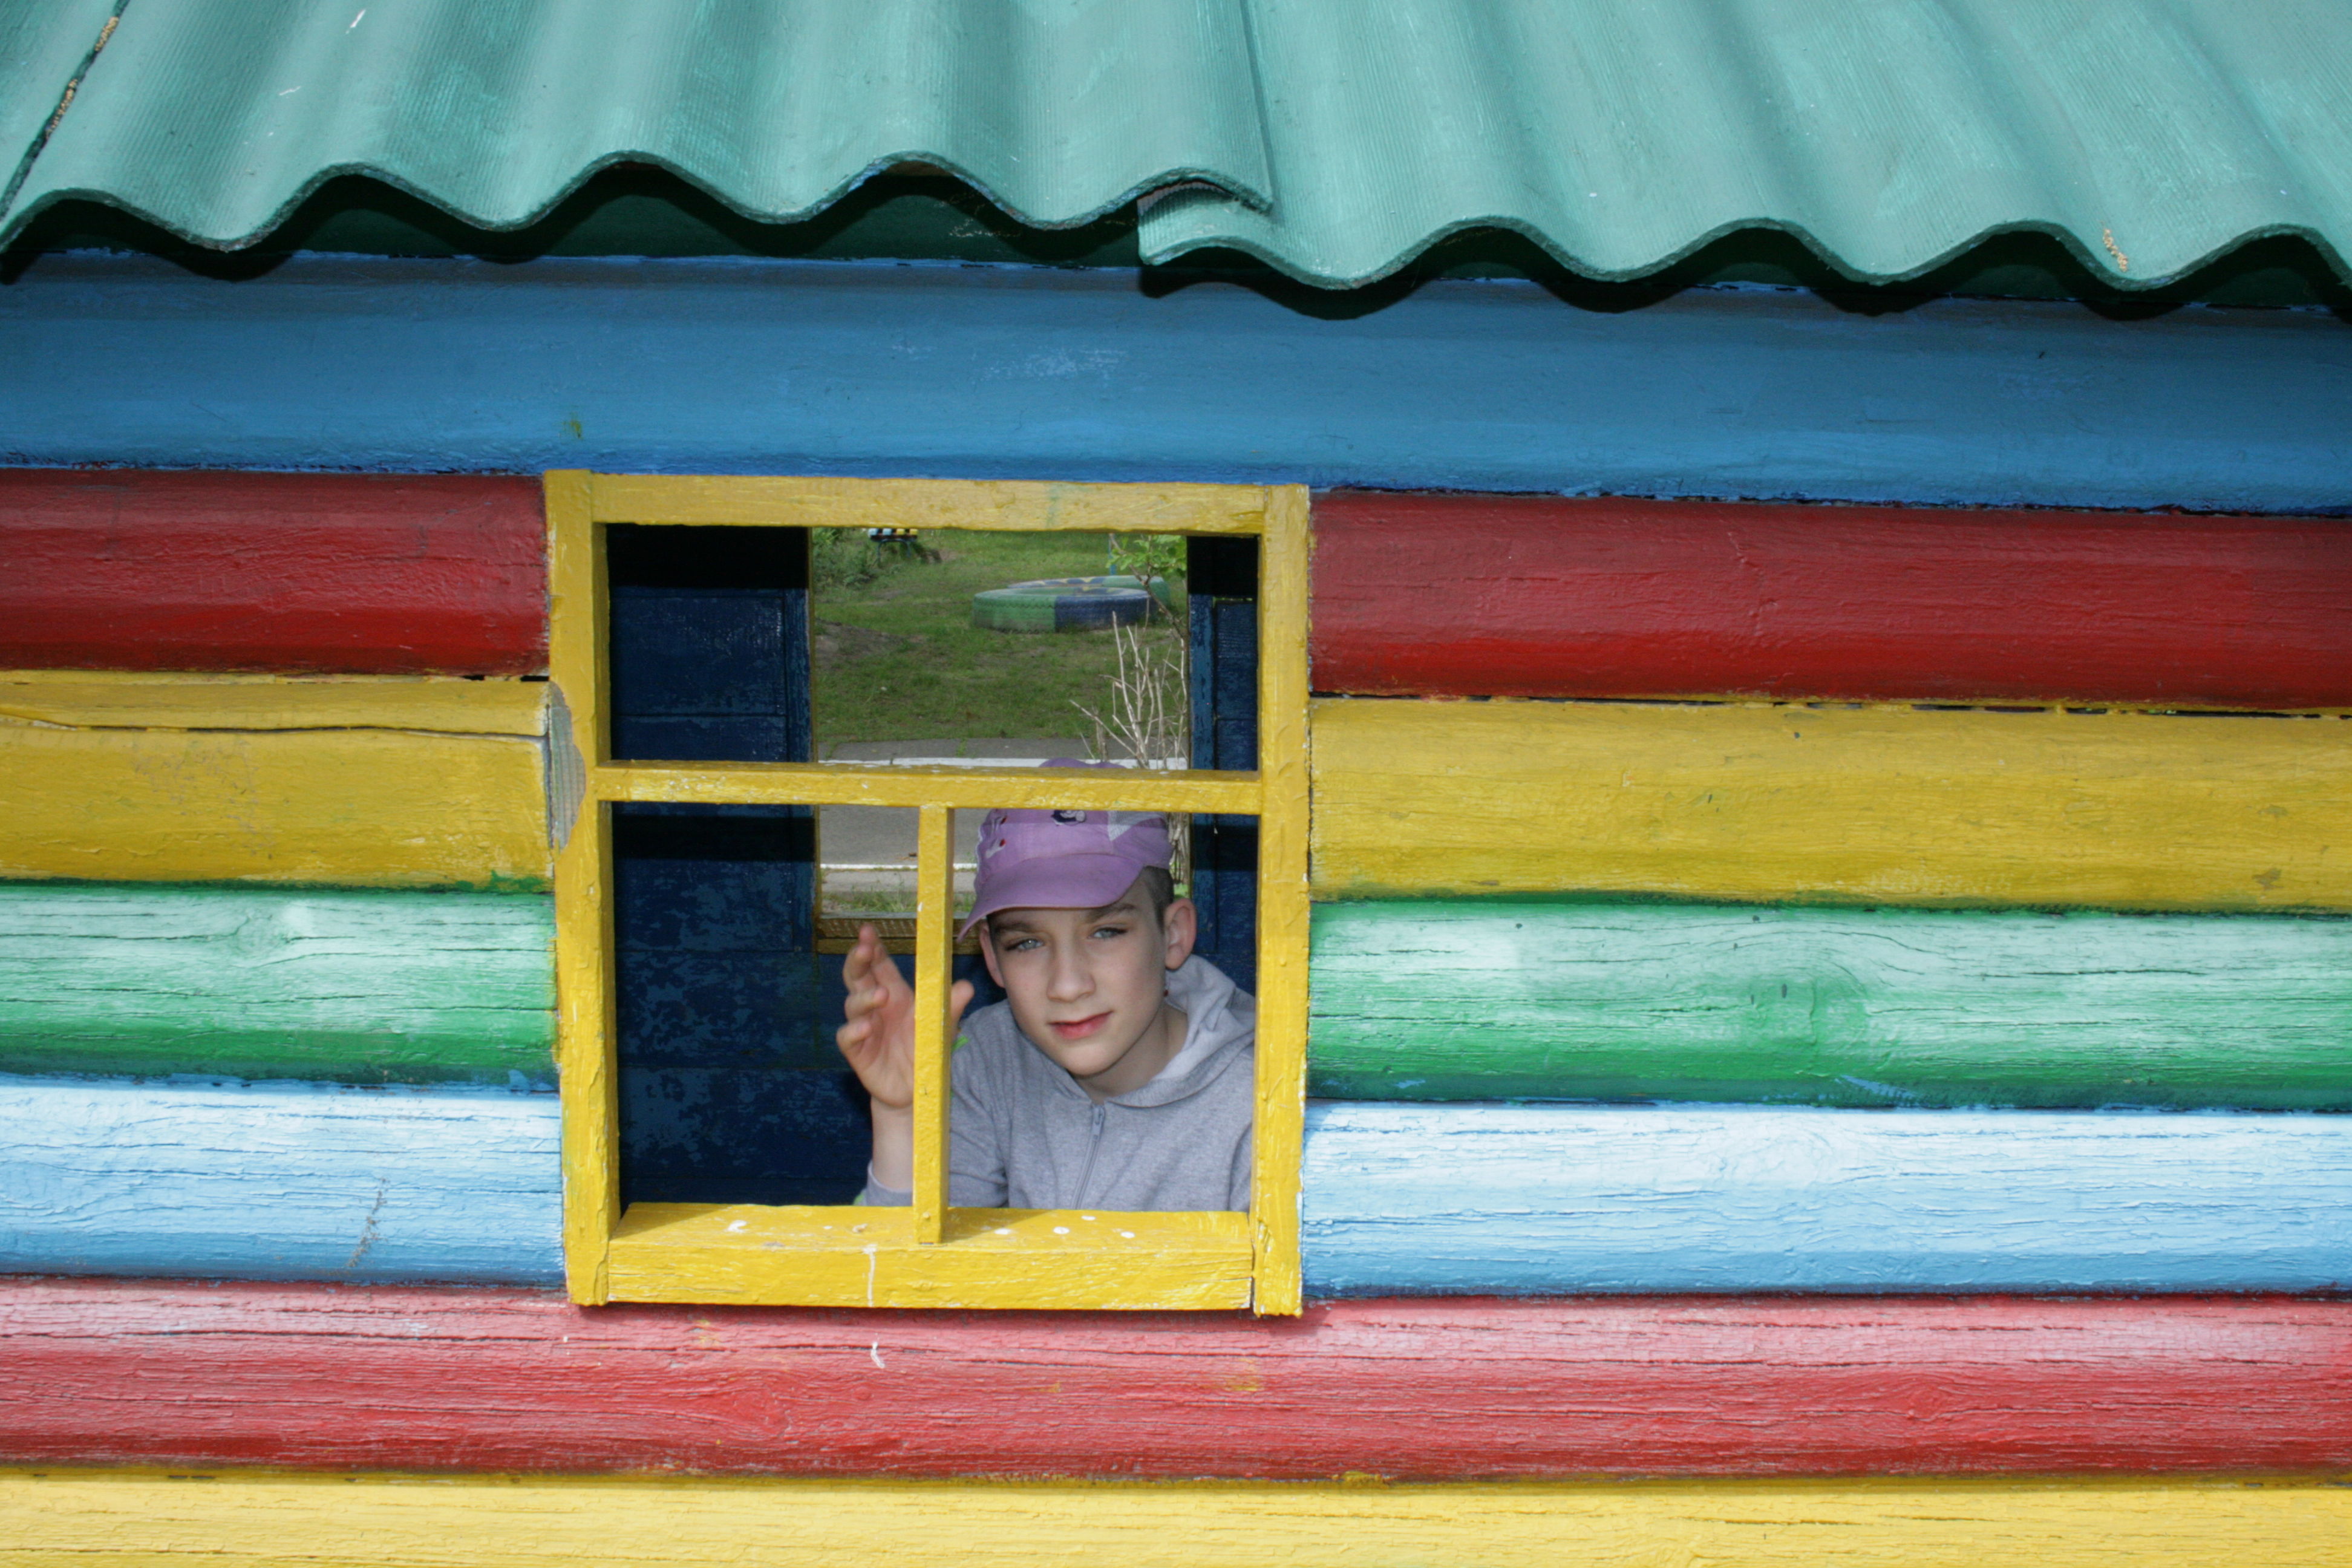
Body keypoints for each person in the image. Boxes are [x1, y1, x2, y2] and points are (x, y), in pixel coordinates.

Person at [835, 791, 1254, 1211]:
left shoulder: (1259, 1094)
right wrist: (902, 1116)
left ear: (1173, 935)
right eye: (1027, 943)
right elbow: (914, 1251)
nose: (1068, 986)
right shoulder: (988, 1057)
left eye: (1106, 932)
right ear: (992, 957)